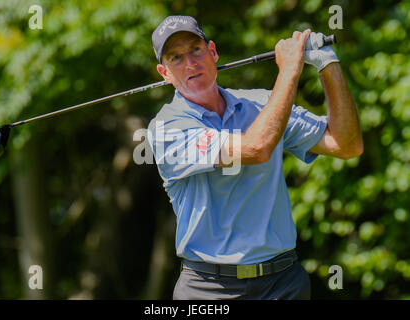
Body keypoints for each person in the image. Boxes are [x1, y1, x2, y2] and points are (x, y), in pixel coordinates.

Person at [147, 15, 363, 300]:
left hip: (283, 284)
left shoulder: (263, 103)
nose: (190, 63)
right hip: (209, 289)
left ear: (212, 51)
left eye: (195, 50)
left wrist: (327, 65)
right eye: (176, 57)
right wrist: (289, 72)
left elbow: (346, 144)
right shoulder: (165, 129)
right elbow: (256, 148)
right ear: (164, 73)